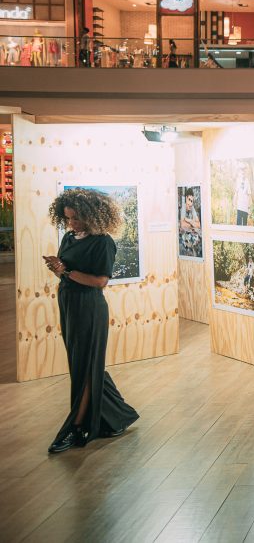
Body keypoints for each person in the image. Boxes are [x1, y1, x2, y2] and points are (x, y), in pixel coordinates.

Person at [43, 188, 139, 453]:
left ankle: (75, 428)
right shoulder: (69, 238)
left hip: (89, 308)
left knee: (85, 366)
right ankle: (118, 416)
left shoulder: (103, 242)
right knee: (83, 364)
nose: (71, 223)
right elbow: (66, 273)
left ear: (90, 215)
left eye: (75, 218)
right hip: (68, 304)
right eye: (67, 218)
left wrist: (66, 271)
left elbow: (99, 282)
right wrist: (58, 269)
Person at [179, 189, 202, 257]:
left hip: (193, 238)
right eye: (189, 199)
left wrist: (190, 221)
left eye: (192, 201)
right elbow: (182, 225)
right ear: (186, 198)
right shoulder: (183, 207)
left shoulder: (192, 208)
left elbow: (198, 225)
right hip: (184, 240)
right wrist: (193, 224)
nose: (190, 203)